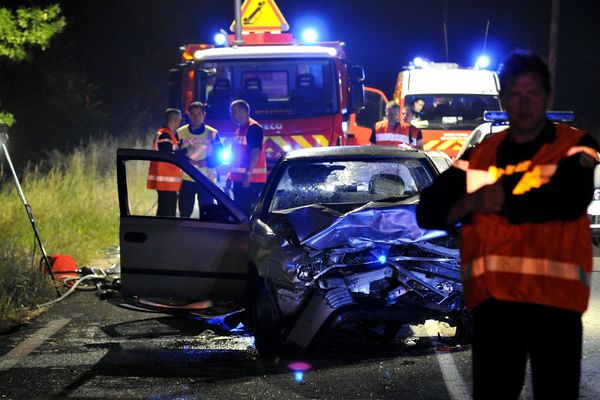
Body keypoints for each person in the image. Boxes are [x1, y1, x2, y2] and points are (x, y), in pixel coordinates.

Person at [416, 51, 600, 400]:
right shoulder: (482, 152)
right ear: (503, 100)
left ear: (548, 96)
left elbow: (568, 198)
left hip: (555, 309)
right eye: (516, 93)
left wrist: (488, 203)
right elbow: (428, 211)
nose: (524, 103)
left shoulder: (576, 145)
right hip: (496, 309)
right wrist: (472, 203)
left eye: (533, 93)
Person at [177, 101, 223, 218]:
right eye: (193, 114)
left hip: (206, 179)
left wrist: (206, 162)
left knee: (207, 216)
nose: (196, 117)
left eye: (199, 114)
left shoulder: (212, 133)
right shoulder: (180, 133)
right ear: (189, 115)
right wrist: (184, 160)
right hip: (186, 179)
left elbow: (220, 155)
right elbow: (174, 154)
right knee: (184, 215)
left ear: (204, 115)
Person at [226, 99, 267, 215]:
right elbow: (236, 157)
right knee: (241, 213)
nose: (231, 115)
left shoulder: (253, 128)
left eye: (233, 112)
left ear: (243, 112)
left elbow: (255, 152)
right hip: (240, 179)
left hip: (250, 181)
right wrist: (230, 176)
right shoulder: (240, 129)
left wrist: (248, 175)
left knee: (247, 214)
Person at [146, 108, 182, 217]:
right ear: (175, 119)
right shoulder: (165, 135)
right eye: (179, 120)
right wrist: (185, 151)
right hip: (166, 180)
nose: (180, 122)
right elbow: (167, 155)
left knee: (167, 212)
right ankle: (162, 233)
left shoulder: (166, 134)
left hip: (167, 181)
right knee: (166, 214)